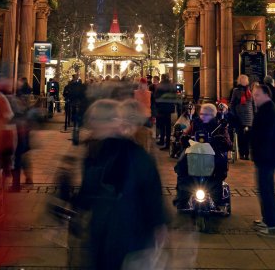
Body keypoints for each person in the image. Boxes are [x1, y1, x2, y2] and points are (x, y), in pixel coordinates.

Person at [75, 99, 168, 270]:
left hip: (128, 230)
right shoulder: (95, 151)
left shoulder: (132, 153)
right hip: (104, 232)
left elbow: (151, 192)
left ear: (111, 123)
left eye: (96, 123)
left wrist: (158, 223)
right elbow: (88, 191)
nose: (92, 128)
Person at [173, 103, 232, 205]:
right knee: (182, 164)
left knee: (219, 167)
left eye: (206, 114)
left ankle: (217, 199)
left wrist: (221, 141)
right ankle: (181, 197)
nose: (203, 116)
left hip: (212, 154)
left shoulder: (219, 125)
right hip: (195, 153)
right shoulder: (195, 123)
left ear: (213, 115)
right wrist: (183, 138)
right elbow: (186, 134)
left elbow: (228, 143)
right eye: (201, 114)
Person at [250, 83, 275, 238]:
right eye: (253, 95)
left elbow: (266, 137)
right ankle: (267, 219)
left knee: (267, 191)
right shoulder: (266, 109)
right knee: (264, 190)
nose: (254, 98)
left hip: (266, 158)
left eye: (257, 95)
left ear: (266, 95)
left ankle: (272, 225)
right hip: (265, 158)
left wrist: (260, 154)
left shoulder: (268, 111)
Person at [229, 74, 255, 160]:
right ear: (240, 81)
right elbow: (232, 104)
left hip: (249, 117)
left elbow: (253, 103)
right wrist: (234, 114)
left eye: (245, 80)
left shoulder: (249, 90)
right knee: (241, 136)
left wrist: (254, 113)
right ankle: (242, 153)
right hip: (239, 117)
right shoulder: (236, 91)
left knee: (248, 136)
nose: (245, 81)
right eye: (243, 80)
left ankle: (247, 154)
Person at [154, 74, 176, 148]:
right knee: (168, 126)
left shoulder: (159, 86)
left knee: (162, 126)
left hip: (161, 108)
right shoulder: (172, 86)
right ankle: (167, 143)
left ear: (162, 78)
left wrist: (157, 107)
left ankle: (162, 140)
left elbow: (156, 97)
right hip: (169, 108)